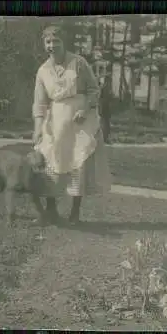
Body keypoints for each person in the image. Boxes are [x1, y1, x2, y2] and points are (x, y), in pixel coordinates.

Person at [32, 25, 112, 226]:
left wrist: (84, 110)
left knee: (78, 164)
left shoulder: (79, 63)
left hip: (80, 121)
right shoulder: (42, 71)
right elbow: (40, 103)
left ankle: (75, 213)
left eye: (56, 41)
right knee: (52, 162)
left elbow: (94, 90)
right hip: (56, 121)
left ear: (64, 42)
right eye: (48, 42)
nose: (52, 45)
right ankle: (51, 211)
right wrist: (37, 128)